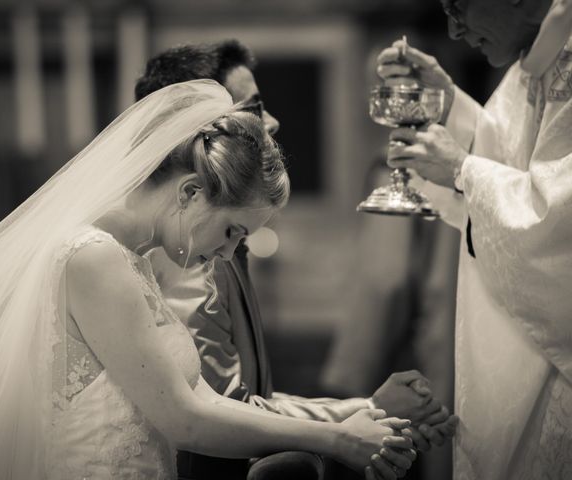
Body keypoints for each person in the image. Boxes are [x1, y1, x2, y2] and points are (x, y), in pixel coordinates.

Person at [0, 80, 417, 480]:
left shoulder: (130, 259)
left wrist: (351, 417)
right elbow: (183, 419)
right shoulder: (92, 258)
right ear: (189, 191)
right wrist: (337, 438)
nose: (229, 253)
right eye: (232, 231)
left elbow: (199, 395)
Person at [136, 40, 458, 479]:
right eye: (255, 106)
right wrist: (367, 409)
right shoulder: (185, 255)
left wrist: (371, 413)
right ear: (205, 132)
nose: (272, 120)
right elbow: (221, 411)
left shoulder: (206, 237)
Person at [377, 0, 572, 478]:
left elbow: (559, 219)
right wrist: (448, 104)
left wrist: (463, 169)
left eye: (459, 5)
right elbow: (507, 156)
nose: (453, 28)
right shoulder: (536, 60)